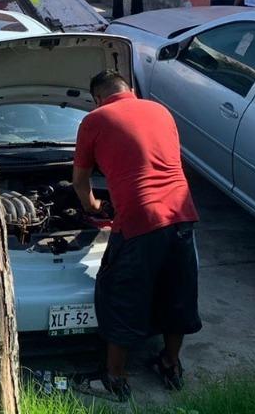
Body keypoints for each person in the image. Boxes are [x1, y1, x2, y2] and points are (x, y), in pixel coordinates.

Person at [73, 71, 201, 401]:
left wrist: (94, 205)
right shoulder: (160, 111)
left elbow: (80, 181)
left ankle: (114, 378)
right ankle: (171, 365)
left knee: (119, 294)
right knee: (178, 292)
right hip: (182, 215)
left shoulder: (95, 119)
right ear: (129, 89)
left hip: (139, 221)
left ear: (97, 98)